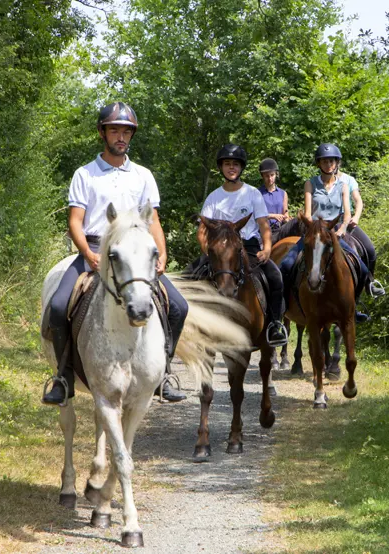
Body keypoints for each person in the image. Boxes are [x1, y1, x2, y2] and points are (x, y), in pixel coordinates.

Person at [43, 102, 188, 405]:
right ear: (103, 133)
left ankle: (163, 374)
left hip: (134, 252)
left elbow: (154, 221)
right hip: (95, 248)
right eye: (114, 131)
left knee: (178, 307)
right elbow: (74, 221)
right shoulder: (85, 174)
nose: (120, 137)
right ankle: (63, 376)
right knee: (58, 307)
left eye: (126, 131)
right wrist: (87, 253)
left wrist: (161, 253)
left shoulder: (143, 175)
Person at [193, 144, 289, 347]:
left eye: (235, 164)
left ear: (241, 168)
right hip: (219, 251)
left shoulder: (253, 194)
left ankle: (274, 324)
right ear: (221, 167)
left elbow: (264, 226)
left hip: (249, 246)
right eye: (227, 164)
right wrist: (209, 252)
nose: (231, 168)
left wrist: (268, 248)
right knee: (189, 277)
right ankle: (189, 327)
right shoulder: (214, 197)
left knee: (275, 277)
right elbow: (201, 232)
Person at [280, 143, 384, 317]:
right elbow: (307, 212)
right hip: (315, 228)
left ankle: (358, 300)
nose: (328, 164)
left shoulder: (344, 185)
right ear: (318, 163)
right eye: (324, 161)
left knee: (362, 265)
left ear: (336, 163)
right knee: (286, 264)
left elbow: (347, 212)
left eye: (331, 161)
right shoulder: (310, 183)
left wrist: (342, 229)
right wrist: (313, 227)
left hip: (336, 229)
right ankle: (283, 308)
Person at [257, 158, 289, 233]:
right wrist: (273, 216)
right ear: (262, 176)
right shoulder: (257, 193)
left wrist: (286, 218)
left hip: (280, 230)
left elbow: (285, 211)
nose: (270, 178)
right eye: (267, 176)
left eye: (272, 175)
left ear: (276, 175)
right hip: (263, 231)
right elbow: (256, 214)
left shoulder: (283, 193)